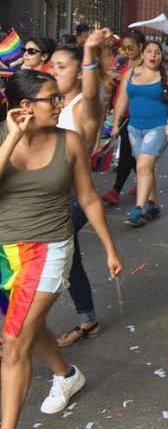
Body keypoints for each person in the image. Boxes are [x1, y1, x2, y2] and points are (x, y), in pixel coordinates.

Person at [0, 70, 123, 429]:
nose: (58, 104)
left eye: (58, 97)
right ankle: (67, 375)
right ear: (23, 107)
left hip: (49, 249)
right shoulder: (3, 136)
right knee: (29, 327)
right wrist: (13, 138)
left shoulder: (68, 141)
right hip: (4, 253)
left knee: (14, 341)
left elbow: (87, 197)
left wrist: (109, 247)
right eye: (51, 99)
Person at [49, 32, 115, 347]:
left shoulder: (83, 106)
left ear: (80, 71)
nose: (53, 71)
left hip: (75, 196)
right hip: (56, 193)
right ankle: (87, 319)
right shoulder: (55, 104)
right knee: (69, 255)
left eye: (61, 67)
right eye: (52, 66)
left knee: (44, 251)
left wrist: (89, 50)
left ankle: (20, 327)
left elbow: (91, 93)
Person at [110, 41, 168, 227]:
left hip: (157, 128)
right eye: (149, 51)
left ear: (161, 57)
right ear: (142, 55)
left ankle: (138, 209)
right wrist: (116, 124)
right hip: (134, 128)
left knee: (142, 166)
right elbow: (121, 101)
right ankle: (153, 205)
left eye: (157, 53)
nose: (153, 55)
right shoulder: (130, 74)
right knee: (146, 168)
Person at [101, 30, 145, 206]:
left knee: (127, 150)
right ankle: (144, 181)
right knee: (133, 153)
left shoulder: (146, 64)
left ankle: (115, 190)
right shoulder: (123, 62)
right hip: (122, 112)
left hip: (136, 113)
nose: (127, 51)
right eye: (124, 48)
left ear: (141, 47)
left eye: (131, 48)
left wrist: (120, 77)